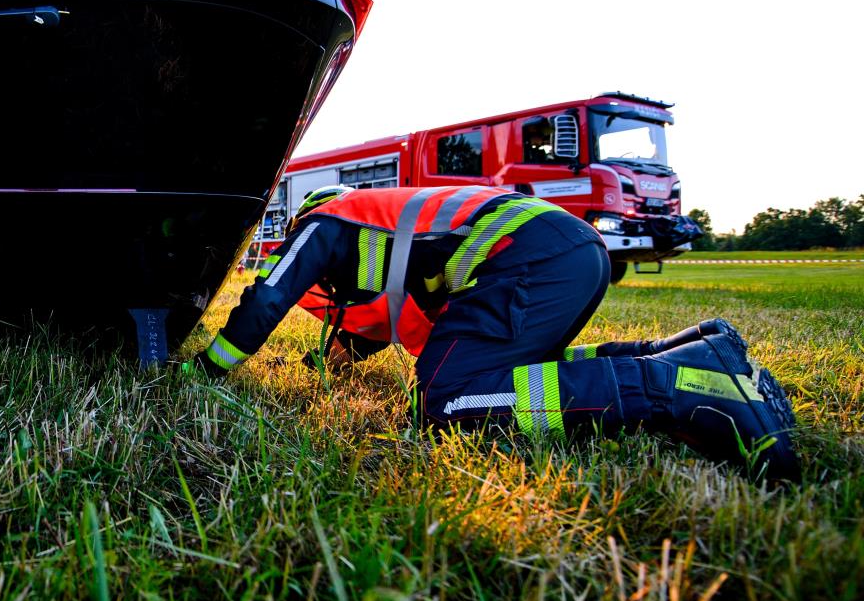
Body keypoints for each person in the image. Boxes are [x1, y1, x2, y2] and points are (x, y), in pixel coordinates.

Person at [191, 185, 799, 477]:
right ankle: (699, 352)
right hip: (565, 246)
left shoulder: (325, 221)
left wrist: (204, 370)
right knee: (508, 375)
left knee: (446, 398)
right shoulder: (386, 240)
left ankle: (683, 392)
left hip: (525, 253)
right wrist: (329, 366)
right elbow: (368, 334)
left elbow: (266, 299)